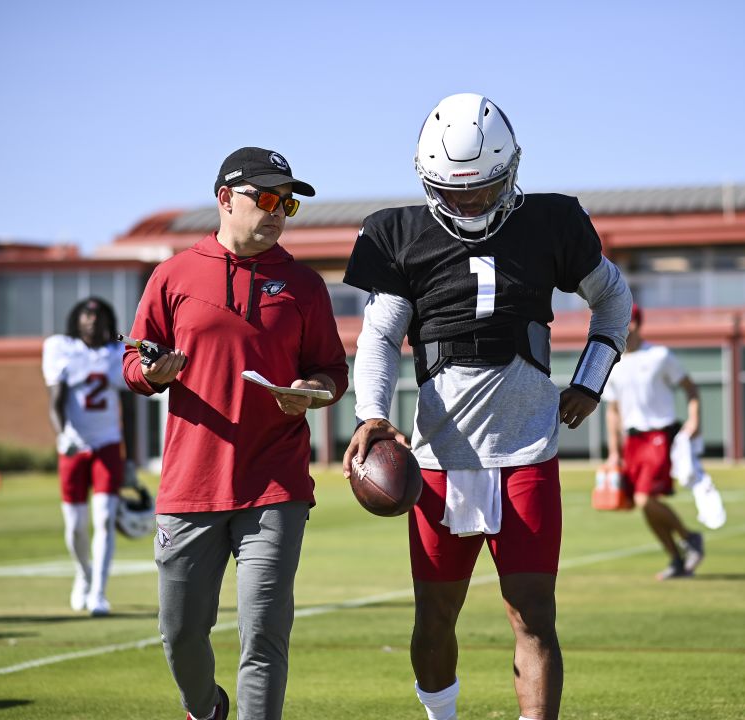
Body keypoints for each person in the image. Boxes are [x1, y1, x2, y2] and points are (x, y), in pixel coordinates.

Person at [341, 93, 631, 720]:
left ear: (513, 168)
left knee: (534, 613)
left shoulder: (552, 220)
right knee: (436, 614)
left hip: (527, 448)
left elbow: (613, 297)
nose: (470, 202)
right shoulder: (396, 232)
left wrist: (591, 376)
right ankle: (440, 716)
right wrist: (371, 412)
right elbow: (380, 337)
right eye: (455, 191)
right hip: (440, 458)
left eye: (484, 188)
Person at [123, 147, 348, 720]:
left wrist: (312, 389)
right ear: (225, 199)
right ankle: (206, 708)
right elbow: (133, 360)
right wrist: (151, 373)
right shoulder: (172, 274)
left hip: (276, 485)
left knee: (264, 635)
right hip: (190, 484)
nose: (278, 212)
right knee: (179, 634)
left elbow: (332, 371)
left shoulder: (304, 284)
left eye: (287, 202)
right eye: (267, 198)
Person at [602, 304, 706, 581]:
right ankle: (676, 559)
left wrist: (694, 419)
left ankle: (689, 538)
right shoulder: (613, 363)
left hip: (659, 435)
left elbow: (690, 388)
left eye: (626, 321)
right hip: (633, 441)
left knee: (645, 499)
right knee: (643, 504)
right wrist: (614, 452)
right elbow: (613, 411)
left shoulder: (659, 355)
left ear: (635, 323)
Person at [42, 296, 128, 617]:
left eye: (98, 315)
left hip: (107, 444)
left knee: (104, 519)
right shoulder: (61, 349)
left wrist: (128, 457)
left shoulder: (115, 354)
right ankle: (83, 573)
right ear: (76, 319)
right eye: (86, 315)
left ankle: (99, 592)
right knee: (75, 527)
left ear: (107, 320)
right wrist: (62, 434)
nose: (92, 320)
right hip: (75, 446)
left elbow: (129, 408)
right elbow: (55, 401)